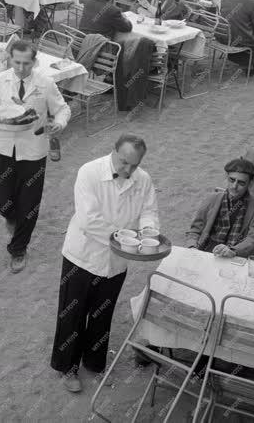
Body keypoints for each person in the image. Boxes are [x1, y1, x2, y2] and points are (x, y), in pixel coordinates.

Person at [50, 134, 159, 393]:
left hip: (117, 261)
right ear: (114, 152)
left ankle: (94, 363)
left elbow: (149, 211)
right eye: (124, 163)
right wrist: (124, 239)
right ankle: (68, 367)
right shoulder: (88, 172)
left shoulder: (143, 179)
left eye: (134, 165)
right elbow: (89, 220)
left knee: (102, 313)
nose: (128, 170)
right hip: (82, 256)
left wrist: (148, 231)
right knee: (72, 314)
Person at [0, 40, 70, 273]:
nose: (20, 68)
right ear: (10, 59)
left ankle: (18, 249)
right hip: (2, 146)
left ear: (35, 61)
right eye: (16, 62)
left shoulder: (45, 83)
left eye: (26, 63)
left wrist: (59, 123)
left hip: (34, 151)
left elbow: (62, 108)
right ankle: (10, 216)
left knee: (29, 204)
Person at [185, 158, 254, 257]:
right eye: (232, 180)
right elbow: (195, 231)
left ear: (250, 184)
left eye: (241, 183)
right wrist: (192, 247)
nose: (234, 186)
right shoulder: (211, 199)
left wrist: (233, 250)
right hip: (205, 252)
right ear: (226, 177)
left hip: (236, 256)